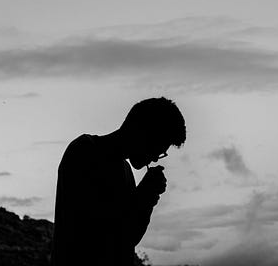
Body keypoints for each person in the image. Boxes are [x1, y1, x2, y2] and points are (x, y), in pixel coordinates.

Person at [50, 97, 186, 266]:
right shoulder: (85, 151)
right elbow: (100, 237)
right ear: (143, 133)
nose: (155, 158)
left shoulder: (126, 171)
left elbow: (130, 237)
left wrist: (148, 198)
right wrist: (143, 195)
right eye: (158, 149)